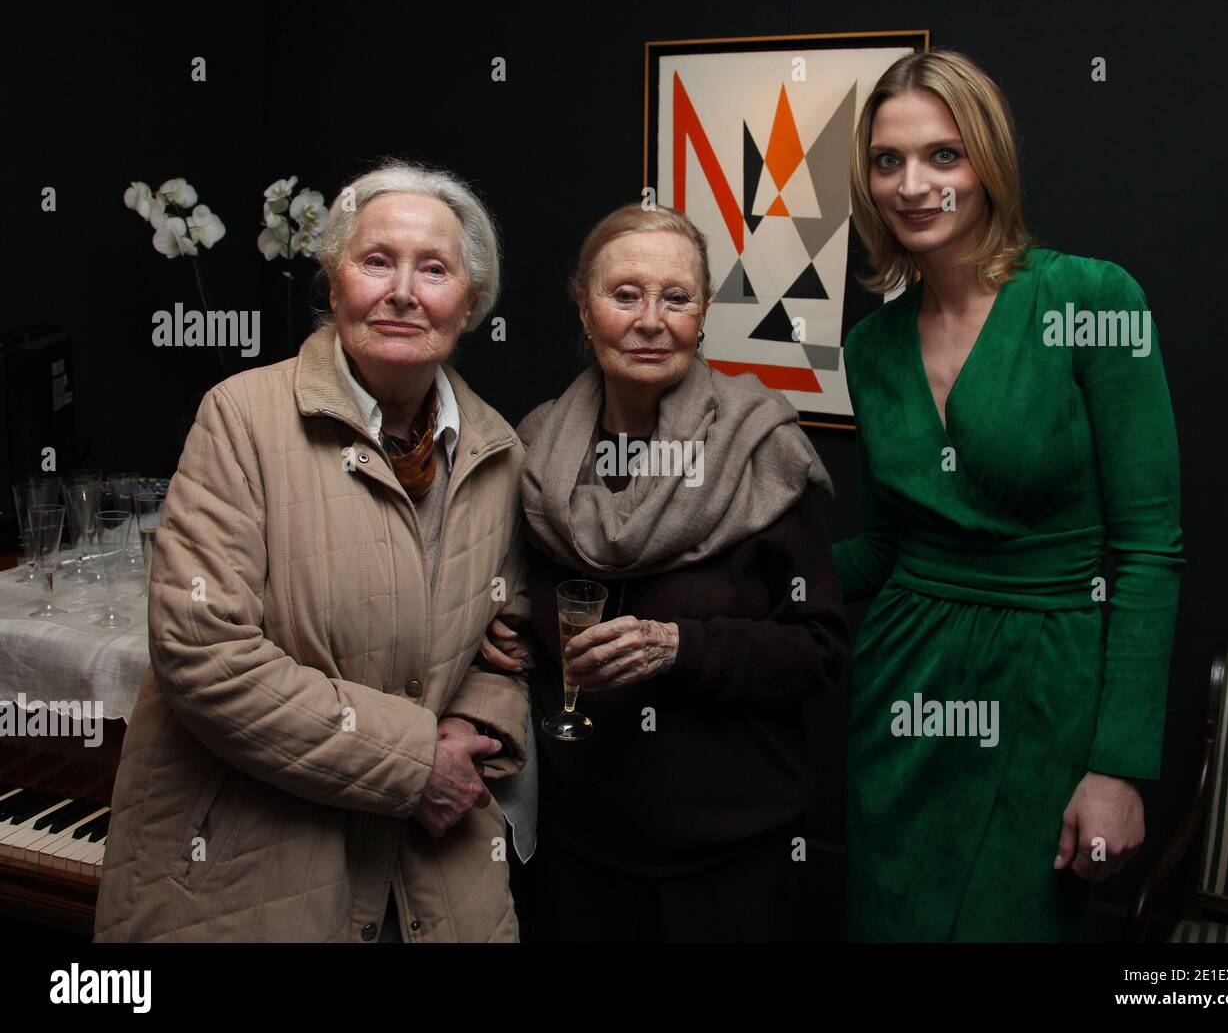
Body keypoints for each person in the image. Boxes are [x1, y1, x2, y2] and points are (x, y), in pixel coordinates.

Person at [93, 159, 531, 942]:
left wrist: (476, 737)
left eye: (433, 269)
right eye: (375, 261)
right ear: (333, 286)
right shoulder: (241, 419)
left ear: (469, 305)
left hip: (434, 880)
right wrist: (412, 763)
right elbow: (205, 651)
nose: (402, 290)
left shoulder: (497, 454)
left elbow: (505, 645)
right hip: (250, 878)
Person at [834, 49, 1184, 941]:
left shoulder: (1093, 298)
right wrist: (706, 572)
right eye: (888, 160)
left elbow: (1149, 550)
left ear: (989, 162)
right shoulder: (872, 347)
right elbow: (882, 546)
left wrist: (1118, 767)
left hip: (1047, 690)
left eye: (943, 155)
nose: (914, 184)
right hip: (902, 690)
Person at [482, 203, 848, 942]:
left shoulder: (762, 453)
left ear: (703, 312)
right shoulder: (534, 452)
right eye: (625, 295)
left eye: (676, 297)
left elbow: (820, 649)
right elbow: (520, 607)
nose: (651, 319)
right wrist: (510, 639)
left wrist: (681, 648)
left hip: (730, 857)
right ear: (583, 308)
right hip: (579, 849)